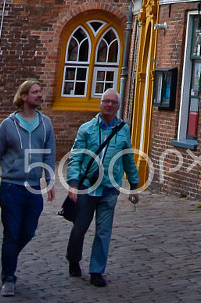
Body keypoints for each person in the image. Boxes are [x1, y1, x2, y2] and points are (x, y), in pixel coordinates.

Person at [0, 78, 57, 297]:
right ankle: (8, 277)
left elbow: (49, 154)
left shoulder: (46, 124)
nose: (39, 95)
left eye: (39, 91)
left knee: (28, 231)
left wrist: (49, 180)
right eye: (35, 92)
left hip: (33, 188)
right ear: (23, 97)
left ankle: (9, 257)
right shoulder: (8, 125)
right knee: (11, 233)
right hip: (11, 187)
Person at [65, 90, 139, 287]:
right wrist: (73, 184)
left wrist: (134, 184)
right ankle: (73, 259)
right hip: (87, 188)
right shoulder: (86, 129)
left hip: (109, 189)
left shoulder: (123, 130)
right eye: (106, 101)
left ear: (117, 106)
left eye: (113, 102)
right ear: (100, 104)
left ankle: (97, 271)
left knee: (103, 232)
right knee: (79, 228)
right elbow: (75, 158)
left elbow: (128, 157)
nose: (109, 105)